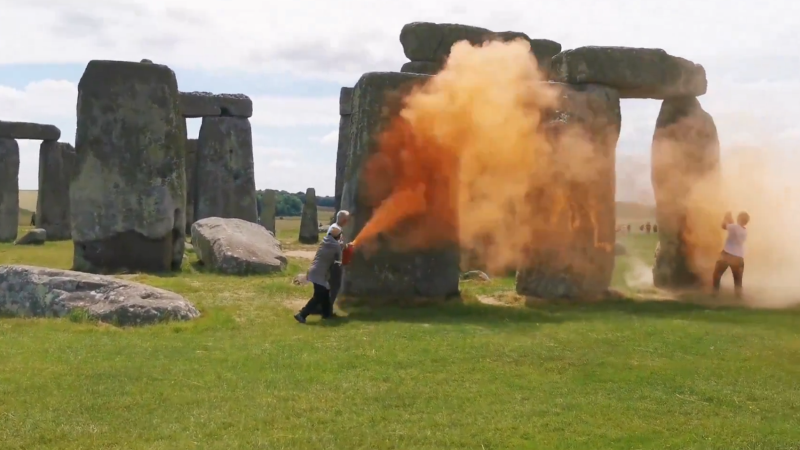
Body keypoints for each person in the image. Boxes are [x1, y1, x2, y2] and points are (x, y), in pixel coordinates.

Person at [294, 227, 344, 323]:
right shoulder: (336, 245)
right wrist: (341, 248)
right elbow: (338, 261)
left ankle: (327, 314)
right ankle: (302, 314)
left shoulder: (324, 241)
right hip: (319, 273)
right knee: (318, 296)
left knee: (325, 293)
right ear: (337, 236)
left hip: (314, 270)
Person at [712, 211, 750, 298]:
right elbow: (733, 227)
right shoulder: (744, 231)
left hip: (727, 255)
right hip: (739, 257)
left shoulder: (734, 227)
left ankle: (715, 294)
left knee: (717, 274)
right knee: (738, 281)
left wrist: (726, 217)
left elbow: (723, 226)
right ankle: (738, 298)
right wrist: (730, 219)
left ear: (739, 218)